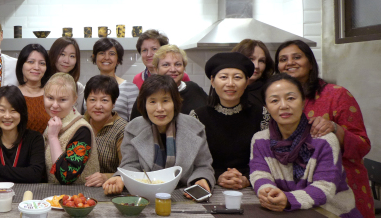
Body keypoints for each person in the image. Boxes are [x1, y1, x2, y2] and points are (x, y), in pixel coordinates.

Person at [275, 40, 374, 218]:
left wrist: (335, 128)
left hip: (342, 191)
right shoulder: (277, 102)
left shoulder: (336, 95)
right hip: (299, 194)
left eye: (297, 57)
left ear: (310, 62)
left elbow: (362, 146)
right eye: (283, 59)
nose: (290, 62)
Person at [250, 74, 364, 218]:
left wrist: (288, 199)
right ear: (266, 107)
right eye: (274, 100)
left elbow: (325, 187)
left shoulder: (324, 140)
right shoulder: (260, 140)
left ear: (303, 102)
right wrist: (268, 192)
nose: (283, 105)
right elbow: (260, 174)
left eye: (291, 98)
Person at [103, 75, 214, 195]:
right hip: (146, 195)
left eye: (165, 101)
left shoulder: (194, 127)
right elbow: (130, 164)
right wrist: (121, 178)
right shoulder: (133, 128)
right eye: (152, 101)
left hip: (184, 194)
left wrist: (201, 179)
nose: (160, 108)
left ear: (175, 102)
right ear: (144, 104)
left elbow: (203, 166)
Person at [189, 52, 269, 190]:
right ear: (213, 81)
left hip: (255, 186)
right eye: (224, 77)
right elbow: (193, 161)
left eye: (237, 77)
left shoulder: (262, 114)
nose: (230, 83)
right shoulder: (197, 116)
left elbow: (268, 157)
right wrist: (218, 176)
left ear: (246, 82)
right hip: (210, 185)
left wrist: (247, 178)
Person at [0, 86, 45, 183]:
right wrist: (20, 177)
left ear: (22, 113)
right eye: (1, 110)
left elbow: (35, 175)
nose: (7, 116)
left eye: (13, 110)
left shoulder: (35, 138)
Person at [44, 73, 99, 185]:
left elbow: (67, 177)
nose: (54, 105)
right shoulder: (55, 121)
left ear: (74, 100)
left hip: (79, 198)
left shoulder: (82, 129)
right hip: (55, 195)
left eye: (62, 100)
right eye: (50, 98)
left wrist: (53, 137)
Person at [129, 45, 206, 120]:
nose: (172, 69)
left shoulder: (195, 89)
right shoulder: (147, 93)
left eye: (178, 64)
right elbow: (134, 127)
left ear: (184, 68)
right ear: (156, 69)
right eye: (166, 65)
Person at [82, 75, 126, 187]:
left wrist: (106, 177)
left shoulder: (123, 129)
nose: (98, 106)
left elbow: (128, 171)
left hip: (109, 189)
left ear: (114, 102)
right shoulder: (79, 124)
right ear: (86, 101)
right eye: (92, 99)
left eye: (104, 100)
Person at [91, 38, 138, 121]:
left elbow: (135, 122)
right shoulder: (88, 87)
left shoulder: (130, 88)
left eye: (111, 54)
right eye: (102, 53)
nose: (106, 57)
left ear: (118, 60)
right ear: (95, 57)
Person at [16, 44, 52, 133]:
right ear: (21, 65)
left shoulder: (53, 94)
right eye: (31, 62)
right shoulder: (13, 95)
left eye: (42, 63)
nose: (36, 67)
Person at [232, 39, 274, 108]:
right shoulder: (227, 88)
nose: (256, 66)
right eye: (251, 59)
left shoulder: (270, 90)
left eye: (261, 61)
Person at [47, 37, 85, 113]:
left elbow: (77, 116)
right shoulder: (42, 83)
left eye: (72, 56)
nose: (66, 61)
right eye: (62, 54)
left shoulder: (78, 88)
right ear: (53, 54)